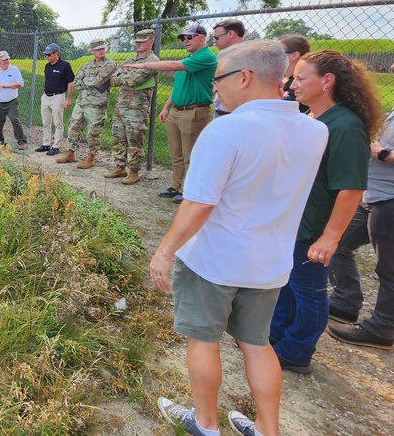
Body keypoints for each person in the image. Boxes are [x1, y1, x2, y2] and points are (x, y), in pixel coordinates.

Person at [152, 41, 329, 436]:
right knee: (257, 343)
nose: (215, 90)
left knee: (202, 339)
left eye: (218, 81)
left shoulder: (226, 130)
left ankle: (205, 424)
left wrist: (165, 252)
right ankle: (268, 430)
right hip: (269, 263)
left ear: (244, 77)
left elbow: (199, 204)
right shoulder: (315, 131)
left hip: (214, 260)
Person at [269, 50, 383, 374]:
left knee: (309, 289)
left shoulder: (345, 126)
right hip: (296, 221)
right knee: (287, 283)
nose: (293, 83)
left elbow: (350, 188)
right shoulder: (311, 116)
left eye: (302, 78)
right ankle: (276, 335)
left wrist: (330, 237)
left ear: (327, 81)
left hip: (315, 227)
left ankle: (297, 350)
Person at [326, 107, 394, 350]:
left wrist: (383, 153)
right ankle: (345, 302)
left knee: (388, 268)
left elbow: (381, 151)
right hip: (373, 196)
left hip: (389, 200)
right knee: (338, 244)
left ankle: (383, 328)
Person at [124, 23, 217, 203]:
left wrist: (144, 65)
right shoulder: (188, 59)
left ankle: (189, 190)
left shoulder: (205, 57)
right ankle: (176, 186)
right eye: (183, 38)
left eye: (189, 37)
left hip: (194, 111)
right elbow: (177, 87)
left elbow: (173, 65)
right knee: (176, 153)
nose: (185, 41)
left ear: (202, 37)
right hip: (177, 111)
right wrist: (166, 107)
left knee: (191, 154)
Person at [105, 29, 158, 185]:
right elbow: (112, 79)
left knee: (134, 140)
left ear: (151, 41)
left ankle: (134, 171)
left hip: (137, 108)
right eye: (137, 41)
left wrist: (124, 76)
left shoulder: (153, 61)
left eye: (142, 41)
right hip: (121, 106)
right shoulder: (131, 59)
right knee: (117, 137)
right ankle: (120, 167)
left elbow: (135, 80)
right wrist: (125, 76)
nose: (138, 44)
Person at [56, 38, 116, 169]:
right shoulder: (87, 65)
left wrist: (87, 81)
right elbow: (76, 82)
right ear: (92, 51)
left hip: (97, 103)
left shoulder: (109, 64)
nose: (101, 51)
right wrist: (90, 82)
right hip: (82, 101)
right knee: (73, 127)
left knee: (93, 131)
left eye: (103, 48)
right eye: (97, 49)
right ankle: (71, 153)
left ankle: (90, 157)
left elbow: (98, 81)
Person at [34, 43, 75, 156]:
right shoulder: (47, 66)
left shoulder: (65, 65)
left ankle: (56, 146)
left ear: (56, 53)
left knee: (58, 122)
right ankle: (46, 143)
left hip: (58, 96)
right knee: (45, 122)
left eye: (49, 55)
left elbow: (70, 83)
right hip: (46, 96)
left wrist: (68, 99)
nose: (46, 57)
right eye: (46, 55)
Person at [0, 50, 28, 150]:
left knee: (14, 119)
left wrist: (8, 86)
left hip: (11, 102)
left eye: (7, 59)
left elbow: (20, 83)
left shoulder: (14, 70)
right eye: (4, 60)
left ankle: (21, 141)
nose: (6, 62)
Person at [211, 19, 246, 116]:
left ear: (230, 34)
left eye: (216, 37)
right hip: (221, 109)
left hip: (237, 112)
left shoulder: (250, 54)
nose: (214, 41)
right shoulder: (225, 54)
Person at [277, 34, 310, 113]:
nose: (271, 56)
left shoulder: (301, 83)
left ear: (294, 55)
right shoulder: (279, 78)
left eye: (277, 52)